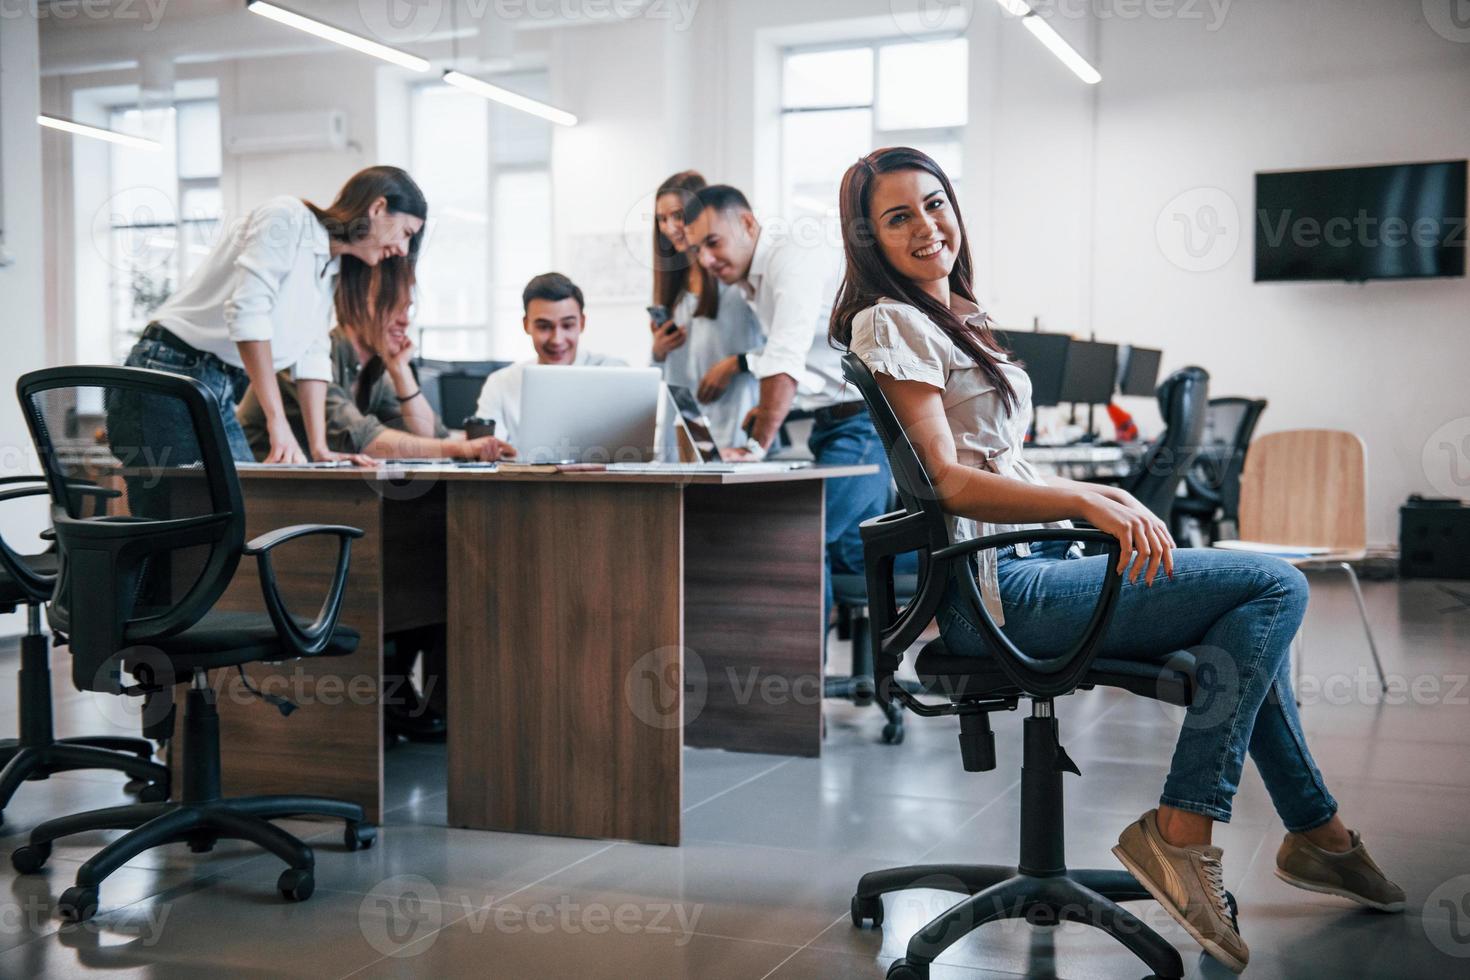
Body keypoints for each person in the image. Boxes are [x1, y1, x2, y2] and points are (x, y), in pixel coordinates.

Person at [830, 146, 1403, 975]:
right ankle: (1197, 829)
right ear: (868, 240)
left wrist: (1100, 495)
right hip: (996, 588)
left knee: (1240, 629)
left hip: (1021, 564)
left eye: (935, 203)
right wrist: (1082, 499)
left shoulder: (953, 312)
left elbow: (994, 462)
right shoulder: (890, 321)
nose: (927, 226)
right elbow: (950, 481)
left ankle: (1313, 832)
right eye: (899, 217)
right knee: (1272, 588)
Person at [682, 185, 893, 613]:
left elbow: (786, 356)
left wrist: (756, 447)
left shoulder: (790, 256)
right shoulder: (752, 282)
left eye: (712, 242)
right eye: (696, 250)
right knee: (849, 553)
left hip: (866, 424)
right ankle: (854, 674)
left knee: (798, 537)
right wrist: (767, 409)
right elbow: (808, 355)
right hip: (833, 426)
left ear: (746, 223)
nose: (705, 260)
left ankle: (808, 674)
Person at [123, 166, 426, 464]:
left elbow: (312, 355)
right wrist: (277, 422)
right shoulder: (288, 218)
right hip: (170, 369)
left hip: (220, 383)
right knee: (187, 507)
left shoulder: (330, 269)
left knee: (234, 503)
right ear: (377, 208)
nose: (402, 249)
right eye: (406, 233)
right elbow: (247, 314)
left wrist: (319, 449)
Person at [237, 265, 516, 463]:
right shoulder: (309, 356)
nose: (405, 320)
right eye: (395, 306)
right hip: (258, 488)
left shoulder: (373, 370)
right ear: (362, 304)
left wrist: (400, 370)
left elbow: (430, 433)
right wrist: (463, 449)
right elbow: (366, 441)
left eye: (408, 309)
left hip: (306, 487)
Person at [648, 171, 763, 448]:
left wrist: (736, 363)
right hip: (684, 423)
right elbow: (659, 370)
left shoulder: (735, 279)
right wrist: (658, 351)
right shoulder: (672, 289)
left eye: (677, 215)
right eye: (661, 219)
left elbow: (779, 348)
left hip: (733, 417)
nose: (670, 227)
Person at [473, 272, 626, 446]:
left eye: (567, 325)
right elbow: (488, 447)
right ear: (526, 325)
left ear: (582, 323)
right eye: (544, 326)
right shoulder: (500, 384)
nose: (557, 340)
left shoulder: (614, 373)